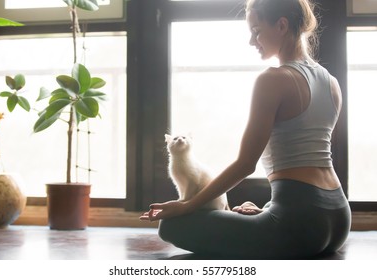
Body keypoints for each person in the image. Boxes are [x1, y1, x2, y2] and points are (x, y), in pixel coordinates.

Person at [140, 0, 351, 259]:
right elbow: (306, 159)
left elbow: (245, 164)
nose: (252, 41)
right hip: (339, 218)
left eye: (256, 30)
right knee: (256, 212)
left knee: (171, 224)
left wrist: (185, 206)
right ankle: (269, 213)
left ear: (282, 25)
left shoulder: (273, 79)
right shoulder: (332, 83)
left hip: (300, 226)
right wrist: (268, 209)